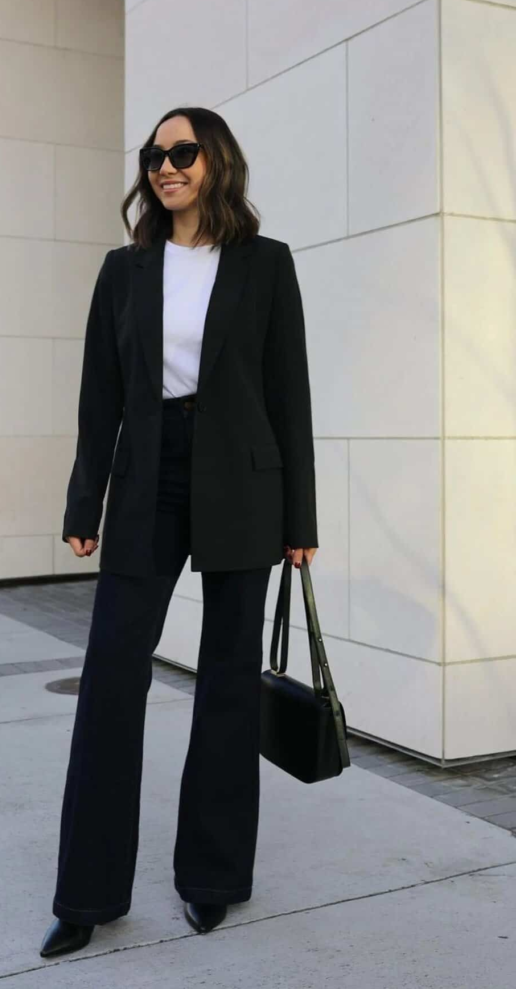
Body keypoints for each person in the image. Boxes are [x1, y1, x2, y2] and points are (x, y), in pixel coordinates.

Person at [40, 106, 319, 958]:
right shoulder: (124, 271)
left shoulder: (265, 265)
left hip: (242, 479)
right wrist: (83, 503)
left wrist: (299, 518)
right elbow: (98, 397)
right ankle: (86, 894)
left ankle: (211, 879)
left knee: (227, 682)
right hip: (147, 477)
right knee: (111, 681)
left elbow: (289, 395)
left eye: (183, 152)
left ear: (215, 162)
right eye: (155, 154)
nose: (166, 165)